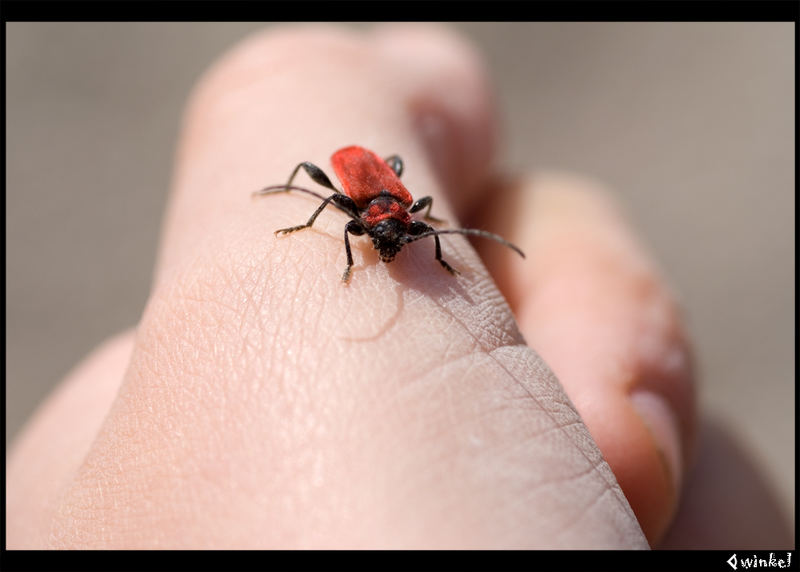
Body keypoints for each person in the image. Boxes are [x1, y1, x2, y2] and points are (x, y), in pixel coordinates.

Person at [6, 23, 791, 549]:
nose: (387, 242)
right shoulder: (354, 204)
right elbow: (342, 206)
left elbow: (417, 225)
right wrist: (340, 249)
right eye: (386, 237)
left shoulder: (406, 214)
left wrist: (441, 255)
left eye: (390, 237)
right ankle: (290, 206)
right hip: (351, 158)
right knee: (313, 197)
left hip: (376, 166)